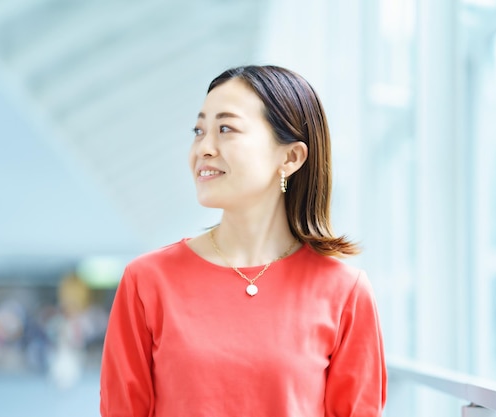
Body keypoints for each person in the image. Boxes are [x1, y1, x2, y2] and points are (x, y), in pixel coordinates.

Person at [100, 65, 387, 416]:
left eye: (225, 128)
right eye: (198, 130)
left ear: (290, 157)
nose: (204, 148)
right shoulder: (146, 281)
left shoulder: (345, 293)